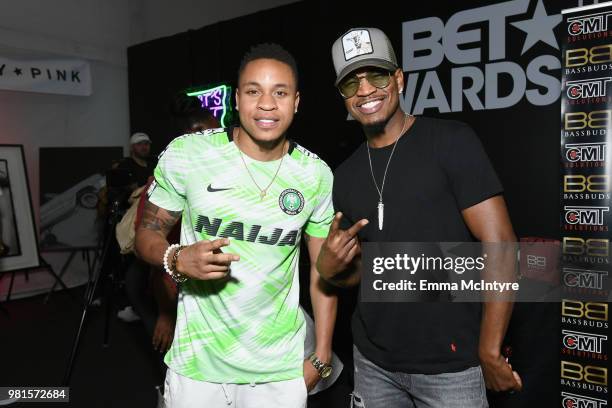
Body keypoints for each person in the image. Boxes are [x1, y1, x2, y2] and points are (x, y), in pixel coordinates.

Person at [316, 27, 522, 407]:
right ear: (342, 97)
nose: (364, 91)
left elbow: (502, 246)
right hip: (373, 363)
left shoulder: (451, 141)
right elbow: (363, 271)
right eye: (350, 83)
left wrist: (490, 351)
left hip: (452, 367)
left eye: (376, 75)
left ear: (399, 78)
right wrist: (330, 269)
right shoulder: (344, 175)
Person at [135, 43, 337, 408]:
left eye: (280, 92)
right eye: (253, 91)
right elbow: (145, 235)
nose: (266, 104)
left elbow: (324, 274)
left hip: (278, 371)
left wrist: (321, 356)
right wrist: (176, 258)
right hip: (197, 365)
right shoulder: (188, 155)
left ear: (296, 102)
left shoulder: (315, 175)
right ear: (237, 99)